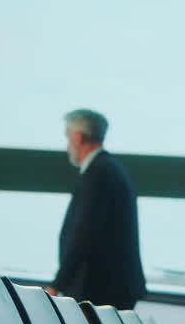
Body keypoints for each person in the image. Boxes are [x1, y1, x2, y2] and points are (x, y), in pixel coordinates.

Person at [47, 109, 147, 310]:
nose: (67, 147)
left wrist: (58, 283)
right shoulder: (110, 169)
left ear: (77, 137)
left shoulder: (98, 174)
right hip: (109, 286)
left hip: (99, 290)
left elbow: (83, 233)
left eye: (67, 138)